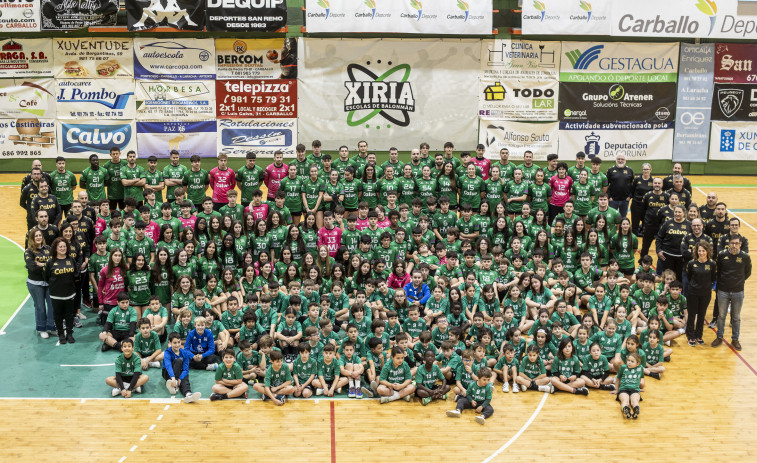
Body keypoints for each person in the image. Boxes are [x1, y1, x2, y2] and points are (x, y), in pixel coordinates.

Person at [712, 236, 751, 351]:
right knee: (721, 316)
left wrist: (738, 281)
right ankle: (719, 337)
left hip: (738, 291)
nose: (734, 246)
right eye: (732, 243)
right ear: (729, 244)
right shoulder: (722, 255)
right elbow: (717, 271)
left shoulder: (745, 257)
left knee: (736, 317)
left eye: (736, 244)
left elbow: (747, 273)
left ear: (740, 244)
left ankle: (735, 339)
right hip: (723, 291)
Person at [43, 237, 78, 344]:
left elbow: (75, 274)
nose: (63, 248)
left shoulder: (71, 259)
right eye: (60, 247)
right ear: (56, 248)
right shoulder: (50, 262)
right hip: (56, 295)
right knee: (57, 315)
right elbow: (46, 277)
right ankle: (61, 334)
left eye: (64, 246)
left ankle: (70, 334)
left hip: (69, 294)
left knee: (69, 315)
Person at [685, 241, 716, 347]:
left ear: (707, 251)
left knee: (702, 315)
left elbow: (713, 278)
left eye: (703, 251)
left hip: (706, 293)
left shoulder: (712, 263)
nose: (701, 253)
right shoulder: (691, 263)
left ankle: (699, 335)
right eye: (699, 251)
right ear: (696, 251)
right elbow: (689, 277)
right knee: (692, 315)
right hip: (693, 293)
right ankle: (690, 336)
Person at [25, 227, 54, 338]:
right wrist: (44, 265)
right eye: (36, 236)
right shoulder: (28, 252)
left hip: (48, 282)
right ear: (32, 238)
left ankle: (51, 327)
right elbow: (32, 267)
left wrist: (40, 264)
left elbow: (53, 263)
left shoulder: (48, 248)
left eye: (40, 235)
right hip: (35, 283)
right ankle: (42, 328)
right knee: (40, 306)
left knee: (52, 306)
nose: (38, 237)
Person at [162, 332, 202, 403]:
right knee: (178, 361)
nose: (177, 345)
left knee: (184, 376)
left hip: (179, 373)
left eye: (179, 342)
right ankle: (175, 384)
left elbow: (186, 369)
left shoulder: (184, 353)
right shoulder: (167, 352)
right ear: (170, 343)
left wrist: (180, 378)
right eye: (174, 343)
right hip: (167, 373)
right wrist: (173, 378)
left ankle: (188, 394)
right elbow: (168, 366)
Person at [655, 205, 690, 282]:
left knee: (679, 279)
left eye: (679, 212)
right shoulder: (667, 223)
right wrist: (658, 250)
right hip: (667, 256)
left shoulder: (689, 225)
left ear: (684, 213)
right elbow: (659, 237)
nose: (677, 214)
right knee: (667, 279)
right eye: (676, 212)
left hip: (681, 257)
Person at [639, 178, 668, 258]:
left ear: (662, 185)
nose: (657, 185)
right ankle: (642, 262)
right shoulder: (647, 195)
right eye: (655, 183)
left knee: (662, 247)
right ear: (653, 184)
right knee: (645, 247)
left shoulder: (666, 196)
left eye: (659, 183)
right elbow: (643, 211)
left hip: (662, 226)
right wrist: (645, 222)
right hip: (649, 226)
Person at [613, 352, 644, 419]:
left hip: (635, 389)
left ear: (637, 363)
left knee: (634, 401)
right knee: (625, 400)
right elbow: (618, 378)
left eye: (632, 361)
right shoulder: (623, 367)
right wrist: (616, 389)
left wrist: (640, 387)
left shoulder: (640, 368)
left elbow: (641, 377)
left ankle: (636, 409)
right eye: (628, 360)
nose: (629, 362)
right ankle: (626, 410)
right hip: (624, 389)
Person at [605, 154, 633, 218]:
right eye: (618, 159)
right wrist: (609, 197)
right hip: (613, 200)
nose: (620, 161)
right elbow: (606, 185)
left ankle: (621, 228)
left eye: (622, 159)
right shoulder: (610, 170)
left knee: (623, 218)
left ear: (625, 160)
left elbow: (632, 185)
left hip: (625, 200)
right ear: (616, 160)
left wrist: (630, 196)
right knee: (611, 217)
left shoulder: (630, 170)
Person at [630, 163, 653, 235]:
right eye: (644, 169)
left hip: (647, 206)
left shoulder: (653, 180)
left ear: (650, 170)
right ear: (642, 170)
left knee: (645, 223)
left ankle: (644, 236)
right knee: (635, 222)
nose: (645, 171)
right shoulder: (637, 179)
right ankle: (634, 237)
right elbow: (632, 191)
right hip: (636, 205)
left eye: (647, 169)